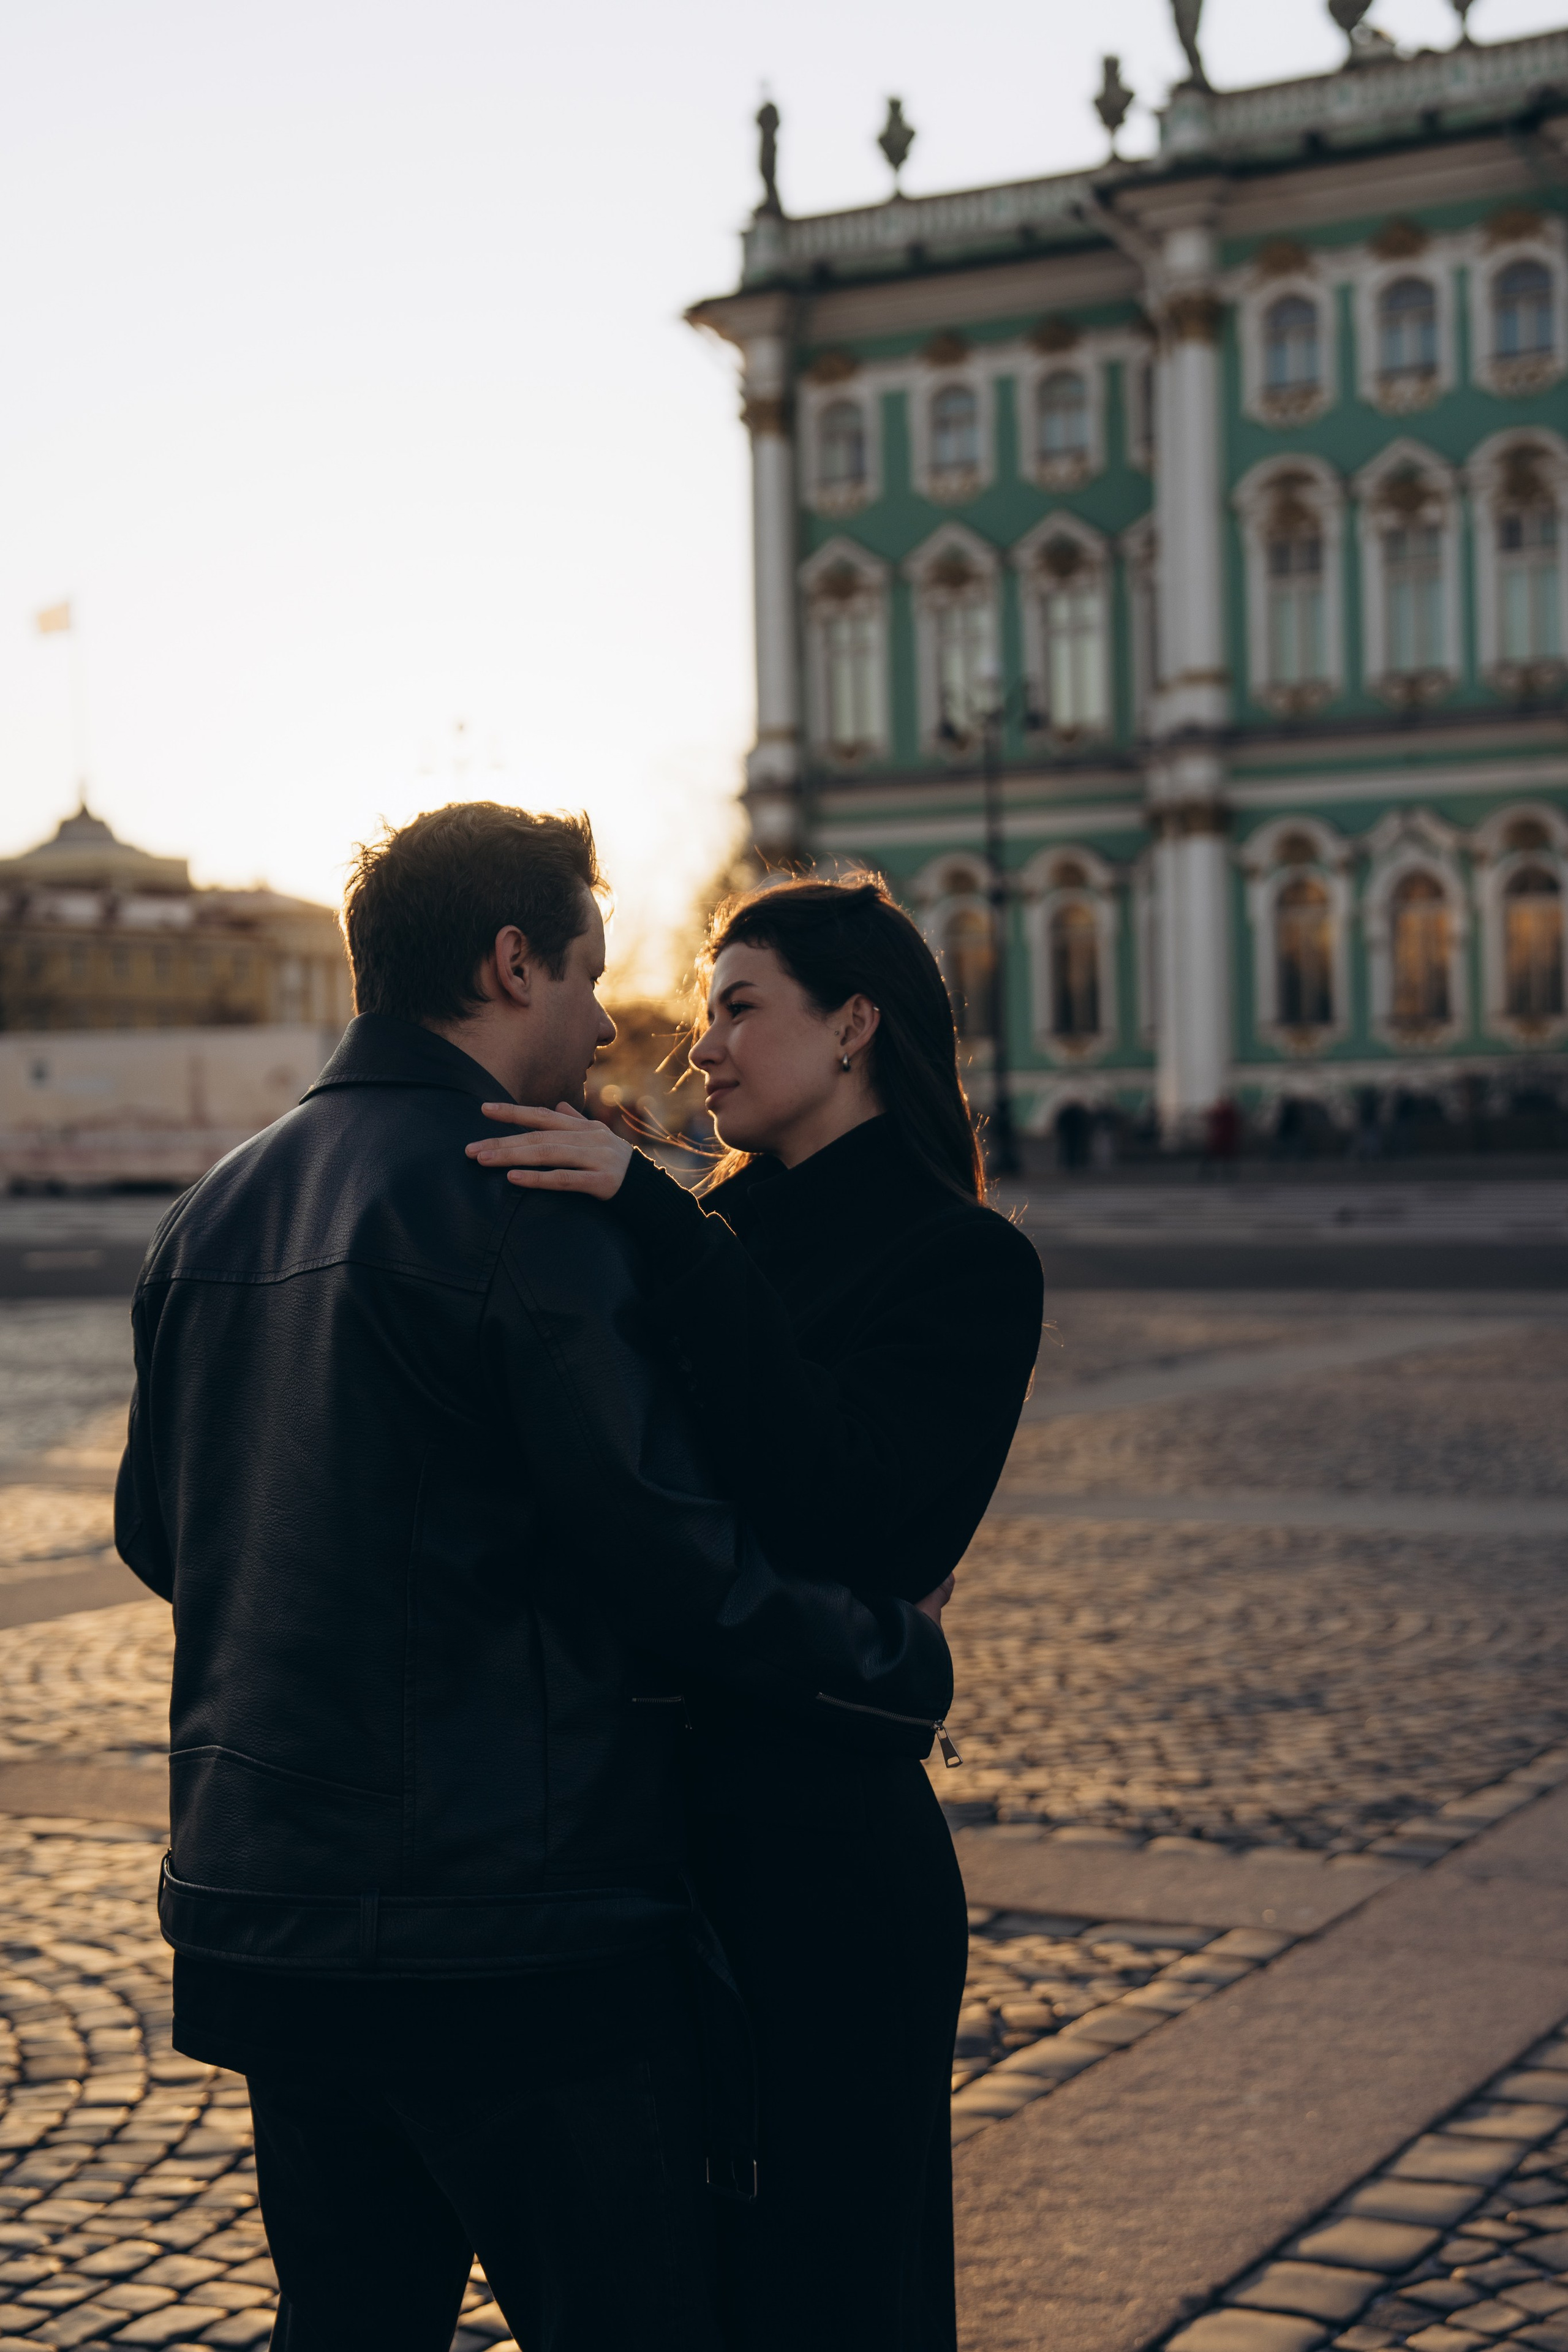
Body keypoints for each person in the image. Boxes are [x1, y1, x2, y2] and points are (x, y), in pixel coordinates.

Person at [114, 809, 956, 2352]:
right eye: (588, 972)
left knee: (348, 2326)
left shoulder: (208, 1210)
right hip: (513, 1937)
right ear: (512, 962)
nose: (609, 1016)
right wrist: (885, 1661)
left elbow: (161, 1540)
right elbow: (673, 1563)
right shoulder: (522, 1200)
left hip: (262, 1929)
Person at [468, 874, 1046, 2352]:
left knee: (833, 2290)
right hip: (648, 1843)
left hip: (822, 1866)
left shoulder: (963, 1261)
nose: (697, 1051)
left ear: (853, 1025)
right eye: (701, 1010)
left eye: (738, 1009)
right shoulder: (708, 1228)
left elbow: (851, 1511)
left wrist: (665, 1243)